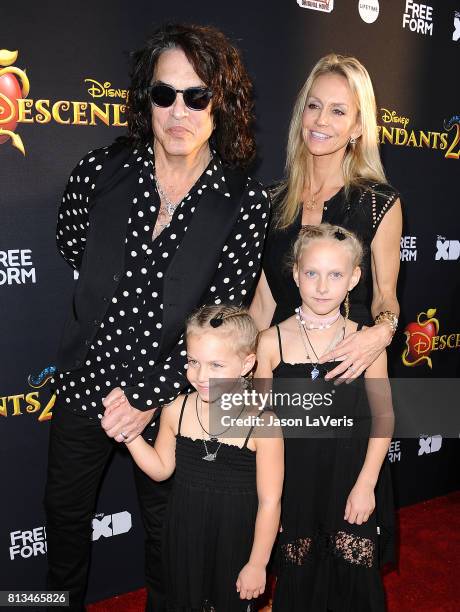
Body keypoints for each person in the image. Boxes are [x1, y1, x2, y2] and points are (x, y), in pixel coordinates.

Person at [45, 23, 270, 611]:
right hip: (85, 383)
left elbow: (222, 313)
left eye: (197, 96)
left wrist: (147, 394)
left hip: (173, 396)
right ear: (145, 99)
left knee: (168, 543)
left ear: (221, 105)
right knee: (63, 526)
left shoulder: (242, 202)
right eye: (164, 94)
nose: (179, 111)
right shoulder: (99, 172)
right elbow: (74, 247)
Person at [103, 305, 284, 611]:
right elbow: (161, 470)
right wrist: (129, 433)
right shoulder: (176, 409)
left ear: (246, 363)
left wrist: (257, 563)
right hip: (183, 531)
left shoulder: (263, 423)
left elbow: (270, 503)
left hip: (236, 536)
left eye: (216, 365)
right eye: (193, 362)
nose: (201, 376)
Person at [255, 224, 394, 611]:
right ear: (296, 273)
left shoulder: (366, 344)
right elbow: (263, 428)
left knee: (353, 584)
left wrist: (367, 484)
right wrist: (271, 499)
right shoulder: (270, 342)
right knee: (299, 583)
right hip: (294, 485)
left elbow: (383, 419)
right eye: (312, 273)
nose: (321, 286)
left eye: (335, 275)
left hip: (351, 481)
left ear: (353, 278)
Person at [250, 53, 402, 381]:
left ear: (358, 127)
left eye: (338, 111)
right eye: (314, 106)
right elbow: (262, 304)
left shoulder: (378, 202)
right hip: (279, 369)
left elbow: (385, 296)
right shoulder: (269, 201)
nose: (321, 121)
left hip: (349, 366)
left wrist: (381, 333)